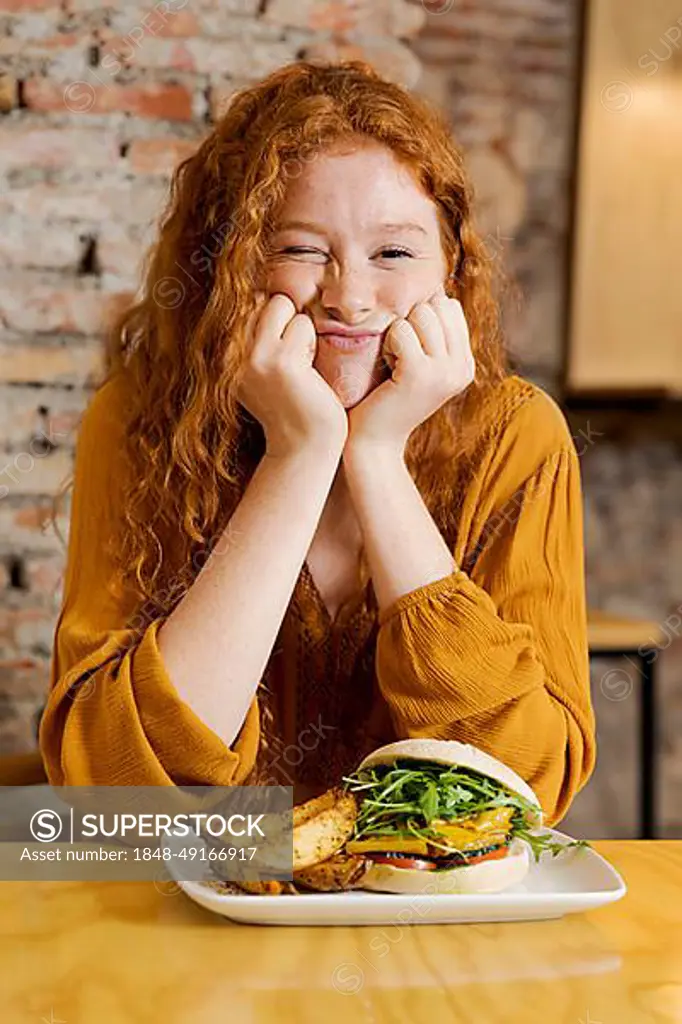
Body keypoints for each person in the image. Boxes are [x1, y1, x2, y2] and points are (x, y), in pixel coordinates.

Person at [40, 60, 596, 828]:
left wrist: (376, 460)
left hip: (429, 923)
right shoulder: (137, 424)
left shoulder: (517, 436)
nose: (350, 297)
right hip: (189, 911)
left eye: (394, 254)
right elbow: (118, 796)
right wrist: (296, 458)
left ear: (453, 274)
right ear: (228, 268)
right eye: (301, 250)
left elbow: (522, 789)